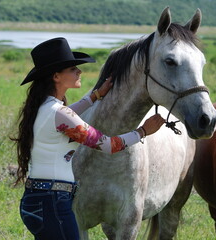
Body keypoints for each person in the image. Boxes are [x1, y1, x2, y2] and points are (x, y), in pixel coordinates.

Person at [12, 37, 165, 240]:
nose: (79, 72)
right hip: (52, 203)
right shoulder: (61, 114)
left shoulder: (44, 108)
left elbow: (67, 114)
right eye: (72, 69)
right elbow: (109, 145)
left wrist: (95, 96)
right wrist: (143, 131)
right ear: (56, 76)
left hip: (39, 200)